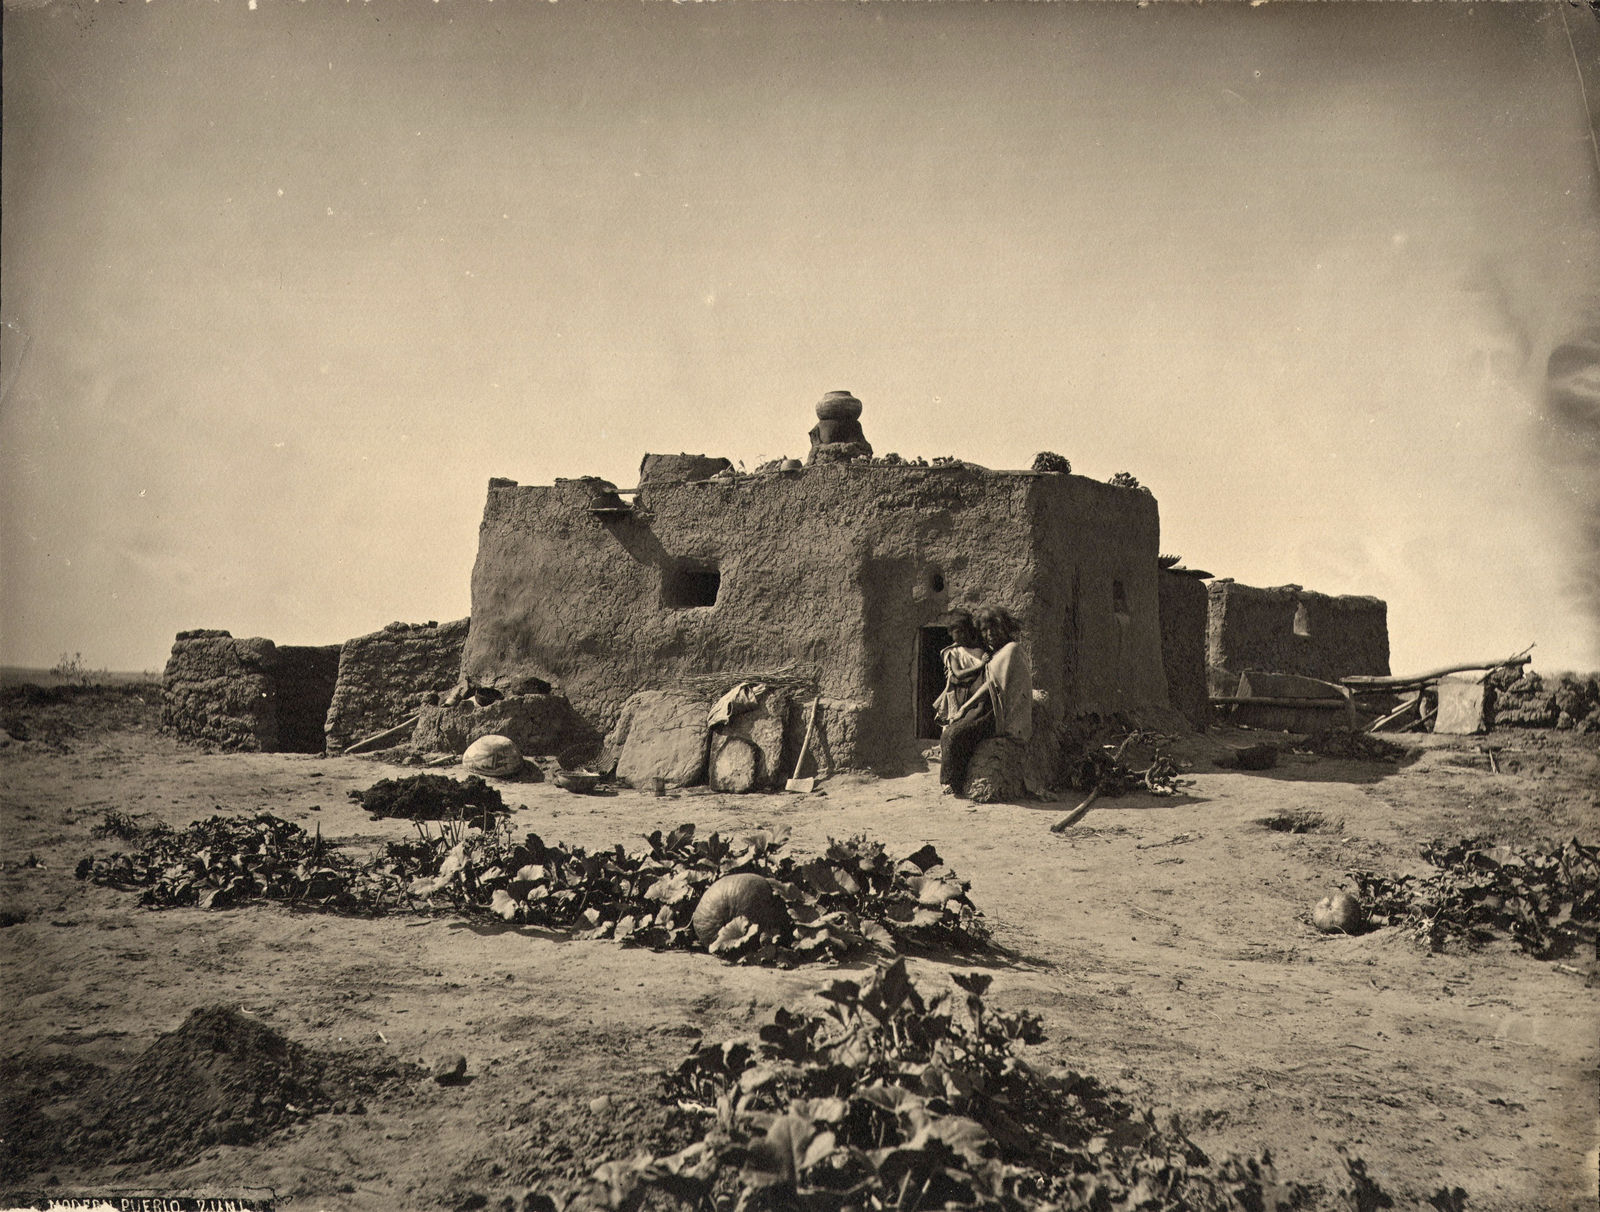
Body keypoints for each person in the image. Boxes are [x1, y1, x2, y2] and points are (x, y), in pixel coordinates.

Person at [939, 606, 1032, 796]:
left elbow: (991, 686)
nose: (989, 634)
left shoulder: (1010, 650)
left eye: (994, 628)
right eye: (984, 630)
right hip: (985, 709)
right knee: (951, 732)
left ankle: (952, 782)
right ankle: (955, 780)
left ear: (1004, 627)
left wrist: (964, 708)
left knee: (955, 734)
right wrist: (964, 709)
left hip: (998, 715)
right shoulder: (994, 653)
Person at [932, 610, 989, 728]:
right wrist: (980, 665)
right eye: (958, 632)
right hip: (960, 694)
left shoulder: (979, 649)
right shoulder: (954, 652)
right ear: (950, 633)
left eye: (964, 631)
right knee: (955, 723)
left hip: (976, 694)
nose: (962, 635)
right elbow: (958, 673)